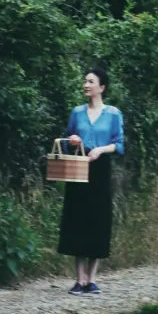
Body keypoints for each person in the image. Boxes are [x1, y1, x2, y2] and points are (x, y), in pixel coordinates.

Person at [57, 66, 125, 294]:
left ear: (102, 87)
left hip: (100, 168)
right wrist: (73, 140)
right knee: (78, 220)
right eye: (85, 81)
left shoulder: (113, 113)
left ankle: (92, 279)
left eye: (91, 81)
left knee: (98, 221)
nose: (86, 85)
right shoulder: (77, 112)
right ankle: (79, 279)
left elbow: (120, 144)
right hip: (78, 169)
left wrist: (101, 150)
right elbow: (66, 141)